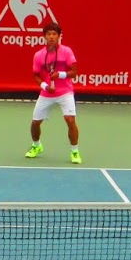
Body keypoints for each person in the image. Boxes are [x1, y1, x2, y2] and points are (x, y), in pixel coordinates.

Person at [25, 22, 81, 163]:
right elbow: (36, 75)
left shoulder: (67, 52)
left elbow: (74, 72)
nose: (51, 37)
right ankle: (36, 146)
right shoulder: (39, 55)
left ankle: (75, 151)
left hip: (65, 92)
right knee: (35, 122)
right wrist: (45, 86)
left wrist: (60, 75)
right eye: (48, 34)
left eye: (54, 34)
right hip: (47, 94)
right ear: (44, 36)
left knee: (70, 120)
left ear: (59, 36)